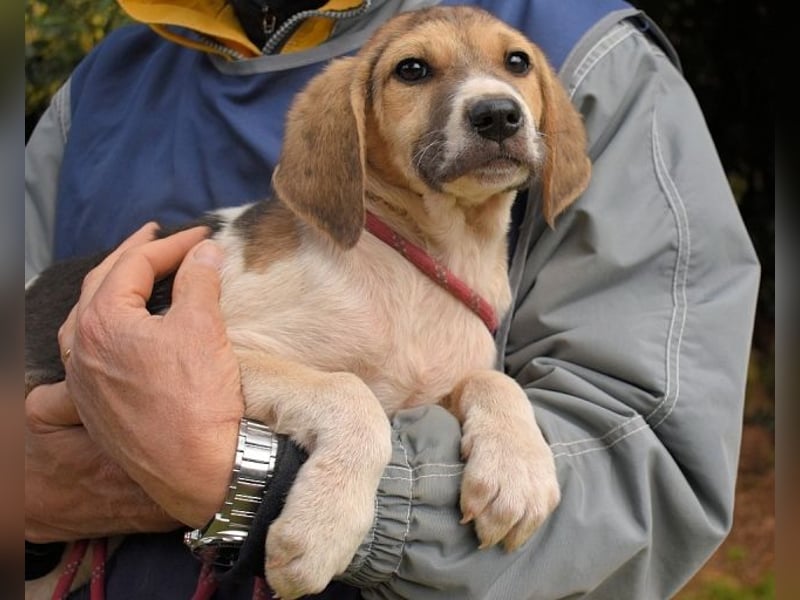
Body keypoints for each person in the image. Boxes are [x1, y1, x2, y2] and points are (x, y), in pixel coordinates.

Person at [25, 0, 761, 598]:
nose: (493, 100)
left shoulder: (596, 54)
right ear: (356, 133)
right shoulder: (99, 86)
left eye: (514, 68)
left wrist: (245, 476)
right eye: (415, 72)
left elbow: (647, 473)